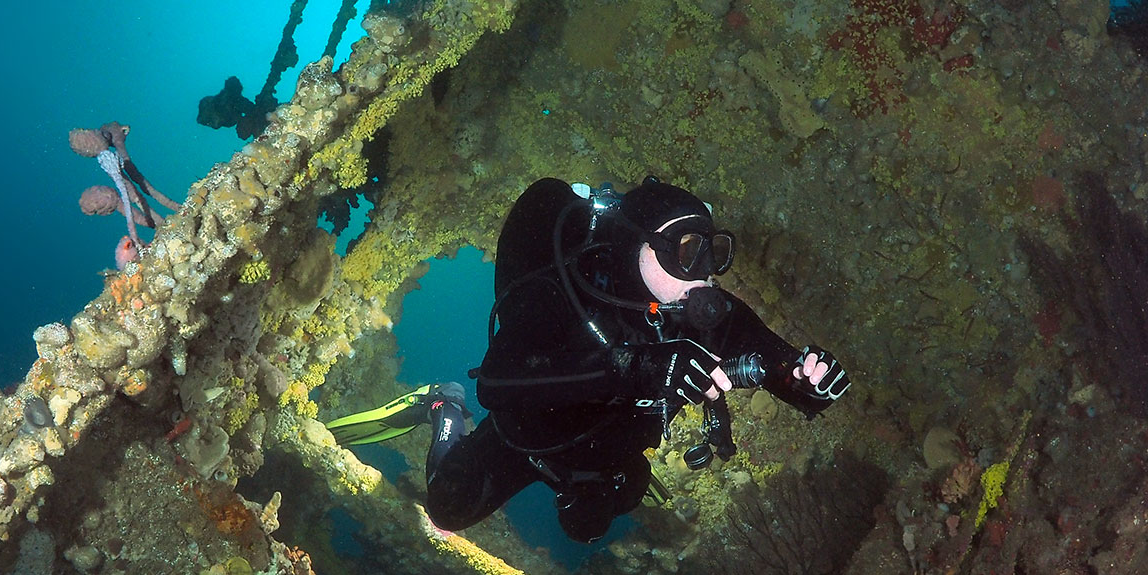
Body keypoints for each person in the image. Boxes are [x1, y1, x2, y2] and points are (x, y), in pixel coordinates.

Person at [328, 176, 849, 542]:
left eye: (714, 253)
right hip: (527, 440)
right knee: (448, 507)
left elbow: (765, 351)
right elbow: (499, 384)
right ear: (634, 246)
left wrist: (800, 378)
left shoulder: (693, 308)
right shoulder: (559, 293)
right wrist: (638, 368)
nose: (705, 274)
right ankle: (443, 408)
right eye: (687, 252)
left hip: (611, 451)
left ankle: (587, 493)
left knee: (589, 528)